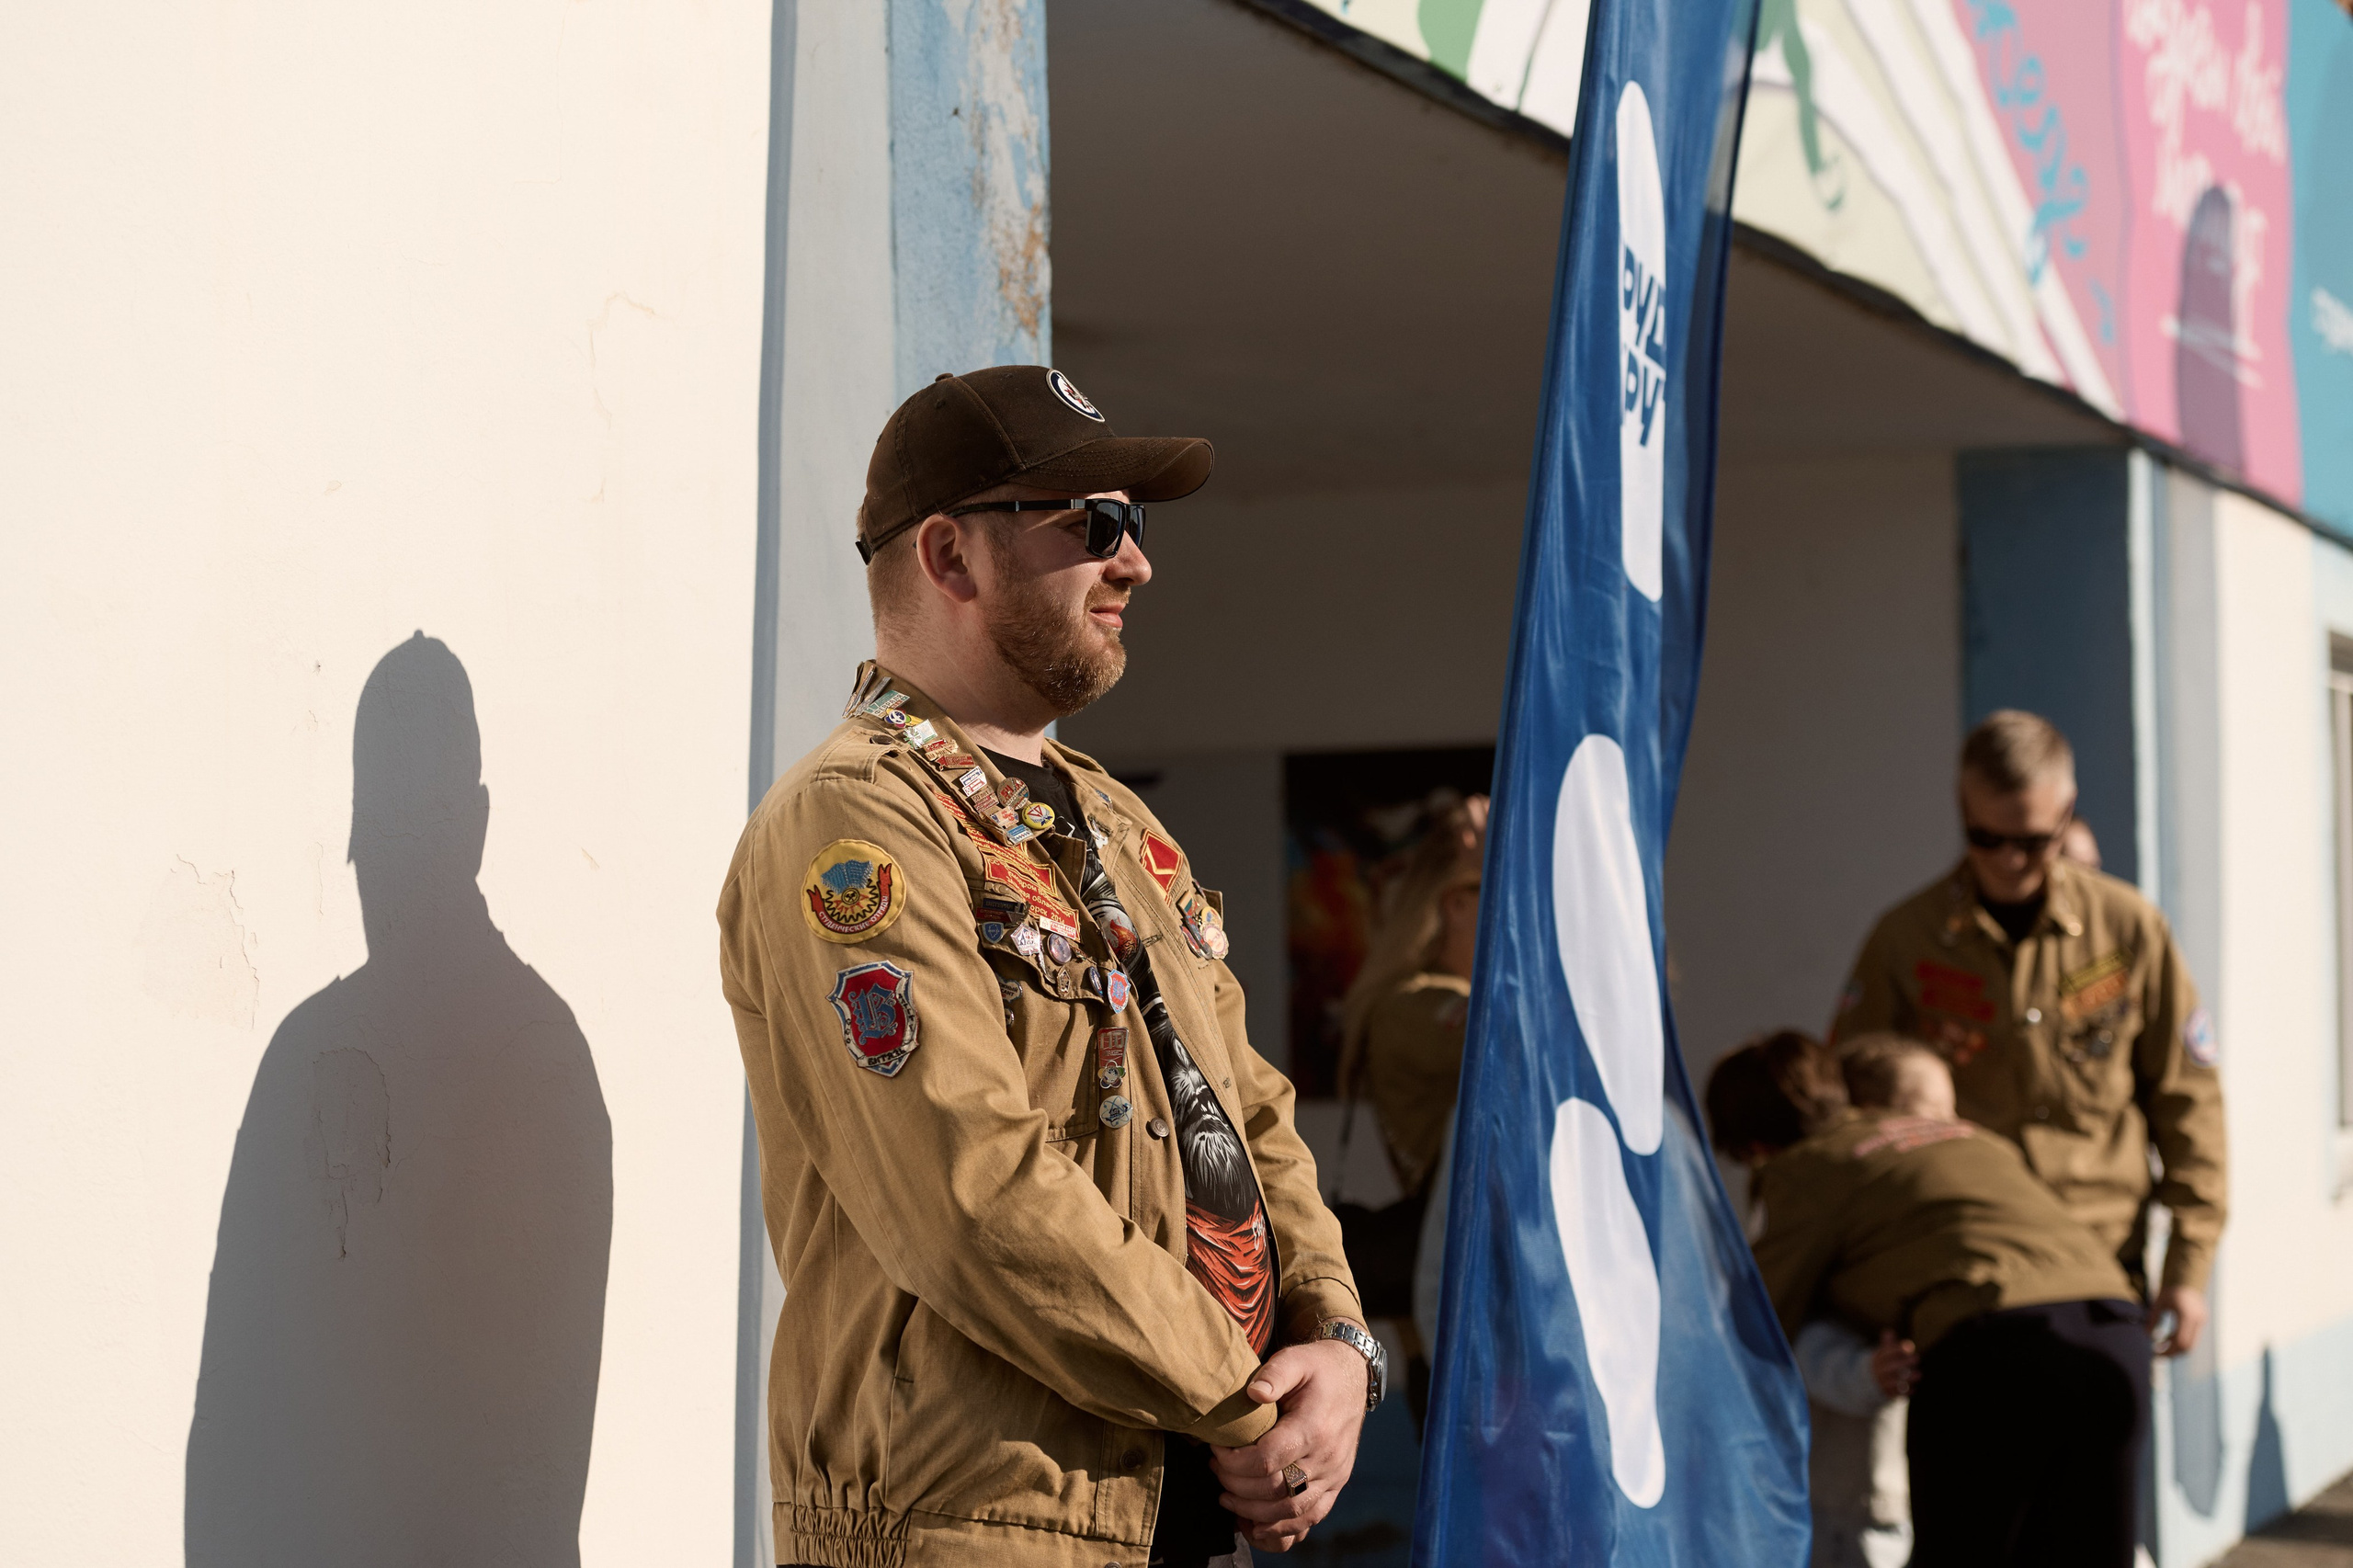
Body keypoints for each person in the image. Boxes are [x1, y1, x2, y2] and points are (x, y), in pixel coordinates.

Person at [717, 366, 1381, 1568]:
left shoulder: (1119, 823)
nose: (1136, 562)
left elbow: (1249, 1111)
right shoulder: (854, 821)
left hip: (1177, 1509)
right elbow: (972, 1193)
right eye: (1095, 524)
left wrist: (1336, 1343)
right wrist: (1244, 1395)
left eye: (1136, 525)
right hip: (978, 1527)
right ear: (952, 557)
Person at [1830, 710, 2225, 1357]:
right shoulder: (1906, 939)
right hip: (1964, 1273)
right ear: (1963, 808)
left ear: (2067, 811)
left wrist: (2188, 1270)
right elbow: (1850, 1109)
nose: (2012, 860)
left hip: (2100, 1264)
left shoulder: (2128, 930)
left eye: (2036, 841)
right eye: (1987, 839)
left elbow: (2189, 1103)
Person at [1708, 1032, 2150, 1568]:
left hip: (1997, 1349)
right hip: (2115, 1328)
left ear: (1754, 1148)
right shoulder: (1961, 1136)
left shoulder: (1804, 1169)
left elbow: (1757, 1320)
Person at [1332, 792, 1487, 1426]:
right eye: (1499, 893)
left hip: (1480, 1324)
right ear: (1455, 904)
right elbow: (1519, 1047)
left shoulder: (1440, 1000)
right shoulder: (1414, 1007)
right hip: (1466, 1345)